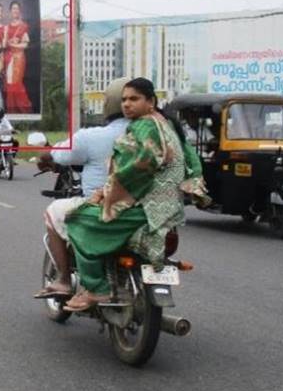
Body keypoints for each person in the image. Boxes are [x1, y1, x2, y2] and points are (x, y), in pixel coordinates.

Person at [59, 77, 205, 312]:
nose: (127, 104)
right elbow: (192, 163)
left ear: (151, 101)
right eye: (124, 99)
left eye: (134, 99)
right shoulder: (166, 124)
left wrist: (106, 195)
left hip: (146, 209)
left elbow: (137, 169)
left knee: (76, 220)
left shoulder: (145, 126)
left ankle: (96, 288)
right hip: (169, 209)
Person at [33, 78, 131, 298]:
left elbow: (62, 153)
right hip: (146, 207)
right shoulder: (158, 132)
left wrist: (46, 156)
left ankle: (64, 280)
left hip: (105, 204)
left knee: (53, 211)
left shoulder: (93, 136)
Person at [3, 1, 33, 113]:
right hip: (8, 57)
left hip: (19, 57)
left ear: (19, 11)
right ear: (10, 11)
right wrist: (9, 43)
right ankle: (11, 110)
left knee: (16, 83)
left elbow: (25, 44)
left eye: (17, 8)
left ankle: (25, 109)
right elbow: (4, 43)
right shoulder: (7, 27)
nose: (15, 10)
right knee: (9, 84)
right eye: (13, 8)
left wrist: (13, 44)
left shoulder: (23, 26)